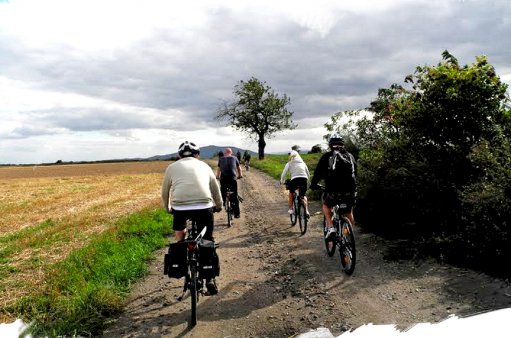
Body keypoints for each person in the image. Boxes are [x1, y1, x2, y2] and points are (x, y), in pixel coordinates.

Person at [161, 141, 223, 295]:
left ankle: (182, 248)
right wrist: (219, 205)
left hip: (180, 207)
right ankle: (209, 278)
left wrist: (167, 208)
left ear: (179, 155)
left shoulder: (171, 167)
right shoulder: (204, 166)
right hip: (204, 206)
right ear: (198, 155)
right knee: (207, 238)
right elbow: (215, 188)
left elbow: (165, 191)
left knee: (180, 235)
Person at [310, 134, 357, 239]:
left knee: (326, 205)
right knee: (349, 211)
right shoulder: (350, 156)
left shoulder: (326, 156)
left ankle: (331, 227)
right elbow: (355, 173)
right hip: (350, 190)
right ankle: (348, 235)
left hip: (333, 190)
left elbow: (318, 173)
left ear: (330, 145)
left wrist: (313, 185)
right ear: (342, 145)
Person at [280, 150, 310, 217]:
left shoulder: (289, 163)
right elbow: (308, 173)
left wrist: (282, 181)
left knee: (291, 193)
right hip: (304, 179)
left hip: (295, 180)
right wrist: (308, 181)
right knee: (303, 196)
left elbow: (284, 173)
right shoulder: (303, 163)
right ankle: (307, 211)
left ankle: (291, 209)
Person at [216, 147, 243, 218]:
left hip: (223, 179)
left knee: (223, 192)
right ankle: (237, 214)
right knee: (234, 195)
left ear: (225, 153)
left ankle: (224, 203)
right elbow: (239, 169)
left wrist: (217, 177)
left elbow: (219, 170)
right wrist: (240, 176)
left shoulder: (221, 159)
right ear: (231, 153)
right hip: (232, 179)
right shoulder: (234, 158)